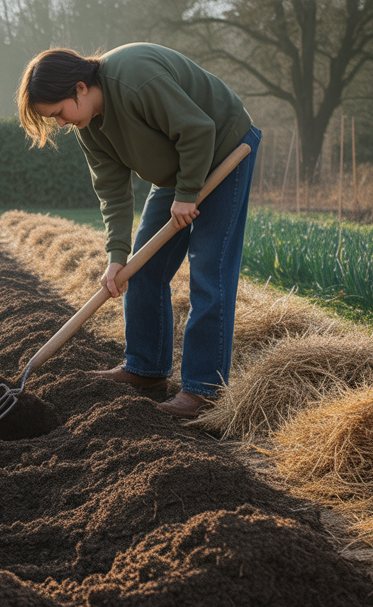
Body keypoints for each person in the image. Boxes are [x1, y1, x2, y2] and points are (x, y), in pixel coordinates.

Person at [15, 43, 260, 418]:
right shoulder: (89, 128)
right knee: (140, 269)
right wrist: (115, 259)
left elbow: (198, 129)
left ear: (80, 87)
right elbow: (112, 192)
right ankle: (145, 369)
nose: (61, 123)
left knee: (210, 270)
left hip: (225, 149)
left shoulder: (133, 78)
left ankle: (203, 391)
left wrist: (188, 193)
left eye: (58, 113)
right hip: (178, 170)